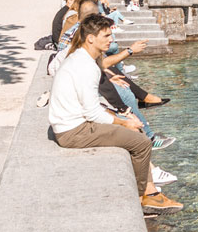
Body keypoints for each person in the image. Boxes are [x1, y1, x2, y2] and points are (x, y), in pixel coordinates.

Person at [48, 14, 182, 214]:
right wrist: (124, 123)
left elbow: (89, 106)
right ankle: (143, 198)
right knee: (142, 142)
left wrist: (122, 119)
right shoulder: (86, 66)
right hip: (73, 131)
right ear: (90, 38)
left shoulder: (82, 59)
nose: (111, 39)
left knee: (133, 129)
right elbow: (92, 112)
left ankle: (151, 191)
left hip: (71, 123)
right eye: (106, 36)